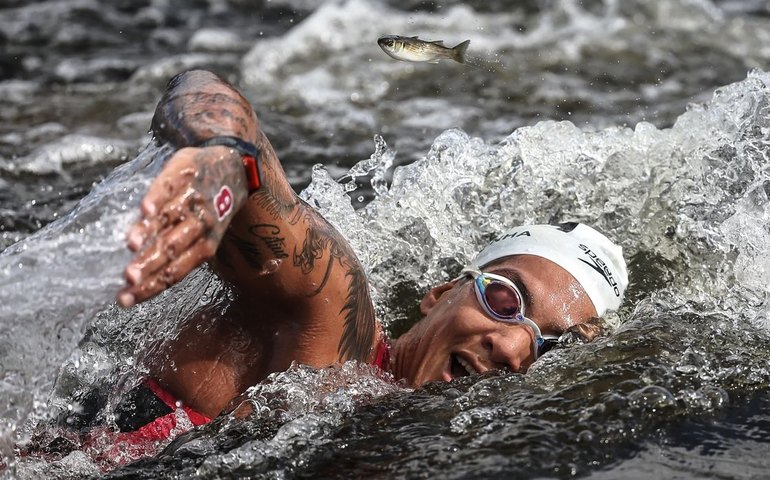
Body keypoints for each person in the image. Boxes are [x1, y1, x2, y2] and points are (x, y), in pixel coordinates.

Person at [70, 70, 631, 447]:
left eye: (547, 346)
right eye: (505, 299)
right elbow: (210, 95)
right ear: (440, 292)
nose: (512, 347)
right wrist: (220, 158)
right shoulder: (331, 318)